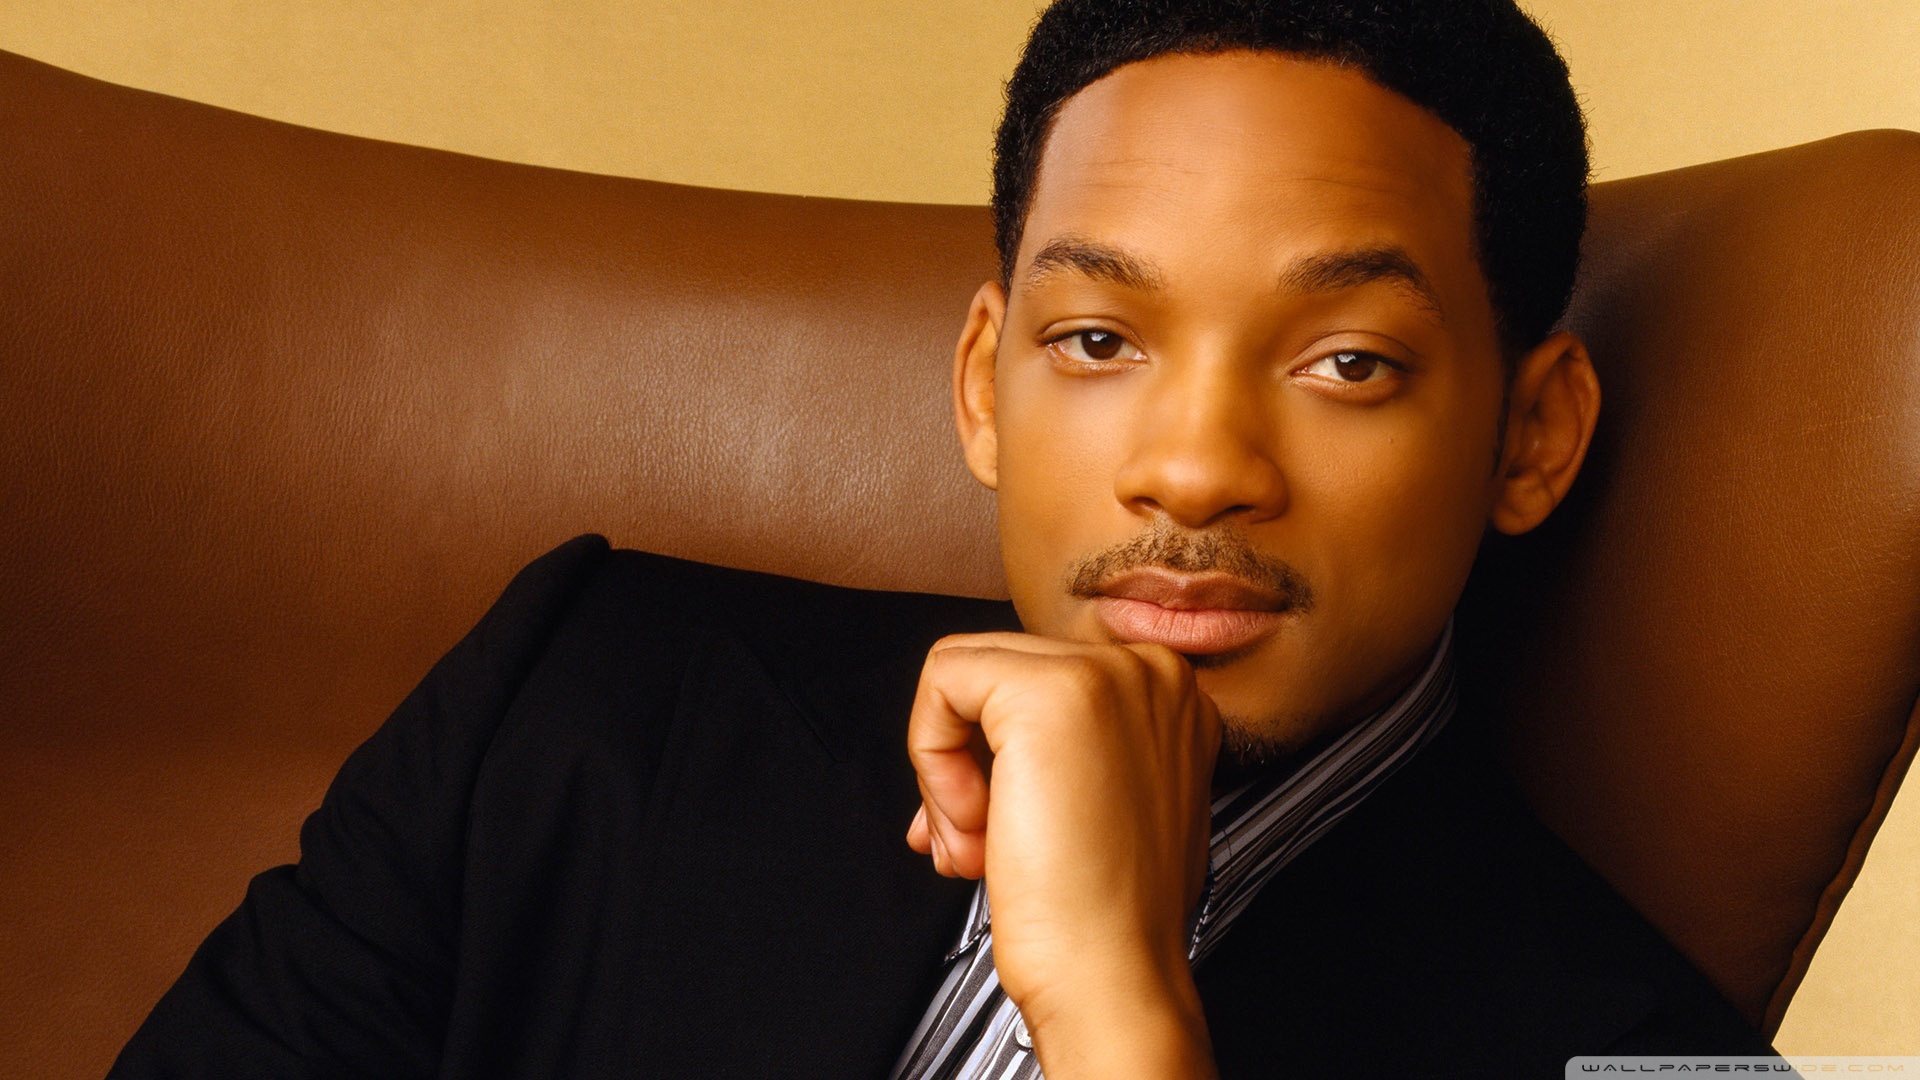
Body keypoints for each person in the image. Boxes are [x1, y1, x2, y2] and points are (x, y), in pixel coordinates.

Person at [113, 1, 1779, 1076]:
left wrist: (1122, 1014)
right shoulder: (584, 701)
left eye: (1347, 363)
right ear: (986, 383)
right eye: (1097, 341)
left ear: (1532, 436)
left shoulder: (1641, 1055)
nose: (1193, 471)